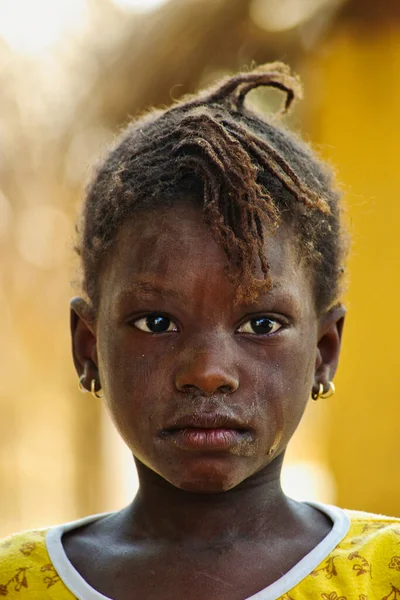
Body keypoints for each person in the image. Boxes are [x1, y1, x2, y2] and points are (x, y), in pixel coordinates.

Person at [1, 62, 399, 600]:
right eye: (157, 323)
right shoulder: (17, 581)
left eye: (261, 324)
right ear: (88, 346)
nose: (208, 373)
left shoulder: (385, 574)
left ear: (324, 352)